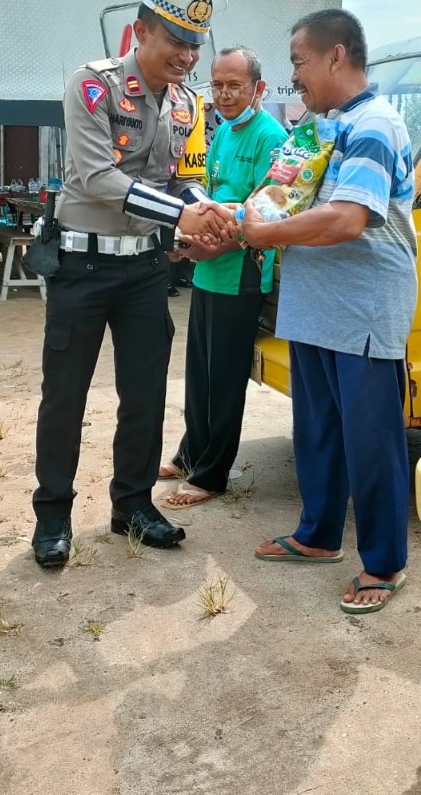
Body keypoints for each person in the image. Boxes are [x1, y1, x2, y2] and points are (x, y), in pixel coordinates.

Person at [31, 0, 235, 567]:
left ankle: (134, 505)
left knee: (144, 393)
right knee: (64, 397)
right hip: (82, 265)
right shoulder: (92, 85)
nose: (187, 56)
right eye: (176, 40)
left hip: (145, 267)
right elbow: (97, 176)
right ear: (140, 31)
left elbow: (184, 177)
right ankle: (52, 516)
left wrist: (204, 206)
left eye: (194, 45)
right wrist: (182, 213)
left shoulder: (188, 102)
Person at [242, 9, 417, 615]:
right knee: (316, 430)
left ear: (336, 56)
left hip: (362, 309)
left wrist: (264, 234)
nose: (294, 76)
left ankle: (385, 562)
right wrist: (235, 220)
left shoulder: (374, 125)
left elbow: (347, 219)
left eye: (299, 61)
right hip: (316, 305)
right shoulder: (318, 128)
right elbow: (279, 198)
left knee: (371, 441)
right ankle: (318, 535)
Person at [158, 47, 287, 508]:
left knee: (226, 380)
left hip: (241, 274)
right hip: (210, 271)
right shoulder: (223, 132)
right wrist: (191, 243)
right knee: (199, 374)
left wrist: (213, 245)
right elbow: (209, 200)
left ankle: (212, 474)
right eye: (217, 85)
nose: (225, 94)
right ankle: (191, 453)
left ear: (259, 88)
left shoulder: (271, 137)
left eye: (236, 85)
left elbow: (267, 213)